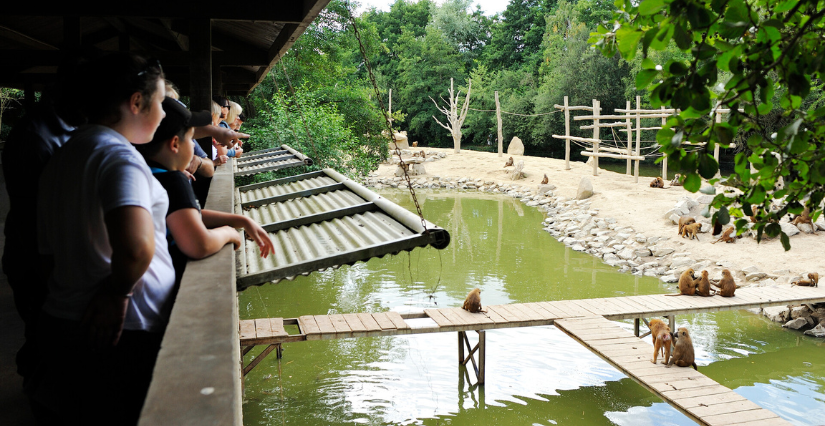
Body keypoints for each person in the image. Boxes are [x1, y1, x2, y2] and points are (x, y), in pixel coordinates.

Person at [31, 52, 172, 425]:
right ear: (136, 102)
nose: (162, 113)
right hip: (120, 333)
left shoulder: (62, 157)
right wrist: (117, 293)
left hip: (65, 319)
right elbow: (136, 246)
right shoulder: (117, 157)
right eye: (158, 102)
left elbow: (47, 254)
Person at [1, 54, 86, 382]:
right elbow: (36, 216)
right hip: (36, 257)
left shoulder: (67, 125)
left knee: (49, 339)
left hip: (47, 255)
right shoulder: (37, 134)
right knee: (45, 340)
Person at [134, 97, 273, 284]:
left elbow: (187, 215)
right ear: (175, 144)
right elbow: (200, 244)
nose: (194, 146)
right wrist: (230, 233)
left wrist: (240, 219)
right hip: (171, 286)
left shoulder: (144, 173)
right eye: (191, 138)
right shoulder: (173, 180)